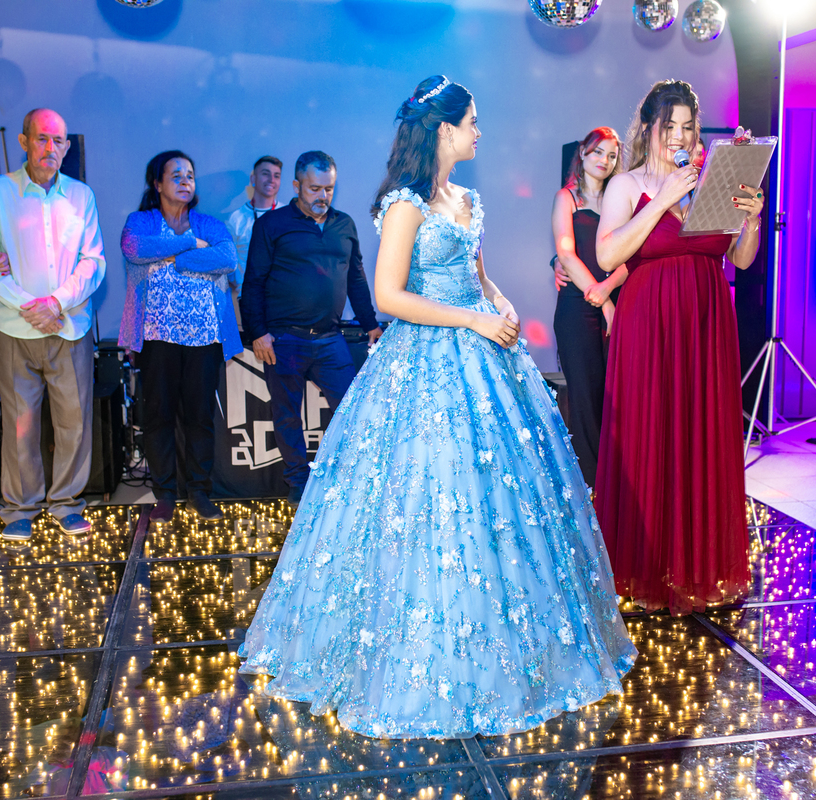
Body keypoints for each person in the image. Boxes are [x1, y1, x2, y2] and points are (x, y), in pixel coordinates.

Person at [237, 75, 636, 739]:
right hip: (425, 356)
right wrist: (473, 320)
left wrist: (500, 302)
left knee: (499, 497)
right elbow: (389, 296)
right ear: (444, 129)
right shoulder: (405, 203)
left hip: (482, 352)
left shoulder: (468, 199)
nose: (479, 131)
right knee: (422, 491)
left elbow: (477, 275)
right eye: (472, 121)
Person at [593, 79, 764, 615]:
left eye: (689, 127)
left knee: (700, 437)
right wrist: (663, 198)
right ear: (648, 129)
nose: (680, 136)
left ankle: (697, 566)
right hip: (649, 326)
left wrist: (752, 218)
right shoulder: (626, 185)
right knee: (650, 435)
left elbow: (740, 260)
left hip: (707, 325)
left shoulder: (709, 183)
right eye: (670, 126)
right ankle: (644, 569)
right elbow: (607, 256)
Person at [0, 108, 106, 542]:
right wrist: (29, 305)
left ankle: (67, 503)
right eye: (43, 138)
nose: (51, 147)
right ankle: (20, 509)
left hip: (70, 326)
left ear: (66, 147)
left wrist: (56, 302)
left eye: (59, 140)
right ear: (24, 141)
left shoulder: (81, 196)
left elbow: (93, 261)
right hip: (16, 327)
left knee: (74, 422)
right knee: (20, 424)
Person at [239, 151, 383, 504]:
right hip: (284, 339)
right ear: (296, 185)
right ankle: (298, 484)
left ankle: (347, 476)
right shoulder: (271, 225)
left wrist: (370, 324)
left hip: (330, 338)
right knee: (287, 415)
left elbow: (356, 279)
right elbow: (253, 282)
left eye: (328, 189)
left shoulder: (344, 225)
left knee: (351, 408)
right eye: (314, 188)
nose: (322, 195)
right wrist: (257, 332)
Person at [119, 150, 241, 523]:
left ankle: (199, 492)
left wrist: (177, 258)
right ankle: (166, 494)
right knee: (159, 416)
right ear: (157, 184)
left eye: (189, 174)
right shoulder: (141, 222)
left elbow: (228, 258)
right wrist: (189, 244)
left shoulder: (209, 224)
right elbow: (135, 250)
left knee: (199, 417)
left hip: (204, 338)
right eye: (176, 175)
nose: (186, 180)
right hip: (156, 337)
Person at [550, 127, 625, 489]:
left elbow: (633, 254)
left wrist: (608, 291)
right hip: (575, 309)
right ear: (582, 153)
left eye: (611, 155)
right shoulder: (566, 198)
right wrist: (603, 299)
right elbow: (565, 253)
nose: (604, 161)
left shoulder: (620, 200)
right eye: (598, 152)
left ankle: (615, 482)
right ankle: (590, 487)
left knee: (615, 397)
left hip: (617, 304)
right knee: (584, 397)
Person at [225, 155, 282, 297]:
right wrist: (240, 283)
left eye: (276, 176)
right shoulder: (236, 219)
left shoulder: (289, 215)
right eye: (265, 174)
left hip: (282, 298)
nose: (271, 180)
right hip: (249, 297)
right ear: (253, 179)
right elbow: (229, 263)